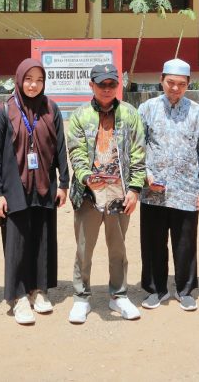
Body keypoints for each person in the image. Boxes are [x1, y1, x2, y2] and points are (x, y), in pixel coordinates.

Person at [0, 58, 69, 325]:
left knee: (42, 239)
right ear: (19, 79)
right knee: (17, 244)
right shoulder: (4, 111)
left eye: (39, 80)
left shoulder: (51, 109)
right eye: (28, 79)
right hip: (15, 189)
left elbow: (60, 149)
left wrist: (64, 183)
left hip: (44, 186)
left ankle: (39, 290)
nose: (33, 85)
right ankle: (19, 296)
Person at [66, 63, 146, 324]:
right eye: (102, 84)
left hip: (120, 195)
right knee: (84, 248)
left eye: (112, 84)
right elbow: (76, 152)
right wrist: (86, 177)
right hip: (88, 195)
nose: (107, 89)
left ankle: (119, 294)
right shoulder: (79, 116)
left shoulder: (130, 115)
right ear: (91, 85)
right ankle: (81, 297)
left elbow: (138, 153)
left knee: (118, 247)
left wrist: (134, 188)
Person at [137, 58, 199, 312]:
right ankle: (155, 290)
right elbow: (137, 147)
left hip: (186, 190)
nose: (175, 88)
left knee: (185, 243)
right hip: (153, 191)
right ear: (161, 80)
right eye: (170, 83)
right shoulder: (146, 109)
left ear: (188, 84)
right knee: (152, 243)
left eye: (181, 84)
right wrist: (145, 176)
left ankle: (185, 290)